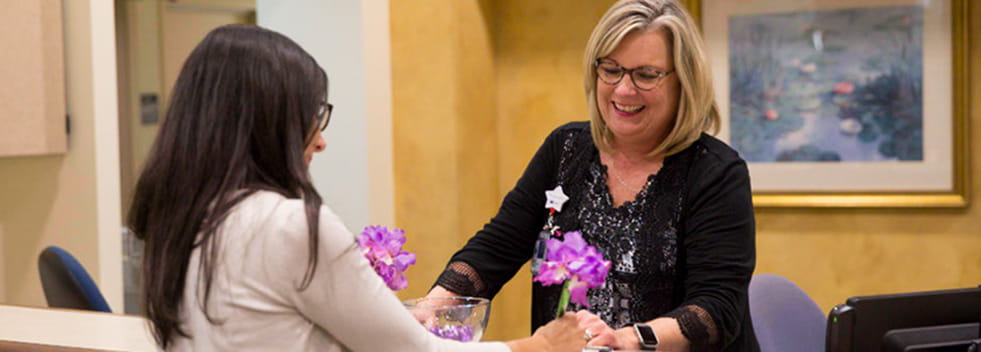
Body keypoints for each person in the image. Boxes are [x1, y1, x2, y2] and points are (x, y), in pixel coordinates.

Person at [128, 24, 585, 352]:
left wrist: (394, 317)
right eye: (312, 119)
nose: (320, 140)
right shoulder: (290, 224)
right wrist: (538, 346)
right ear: (269, 123)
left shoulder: (181, 215)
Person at [426, 1, 758, 351]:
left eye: (646, 75)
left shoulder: (717, 173)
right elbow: (498, 245)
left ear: (684, 82)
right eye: (611, 69)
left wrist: (628, 338)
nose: (623, 90)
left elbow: (715, 310)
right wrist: (437, 304)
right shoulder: (565, 149)